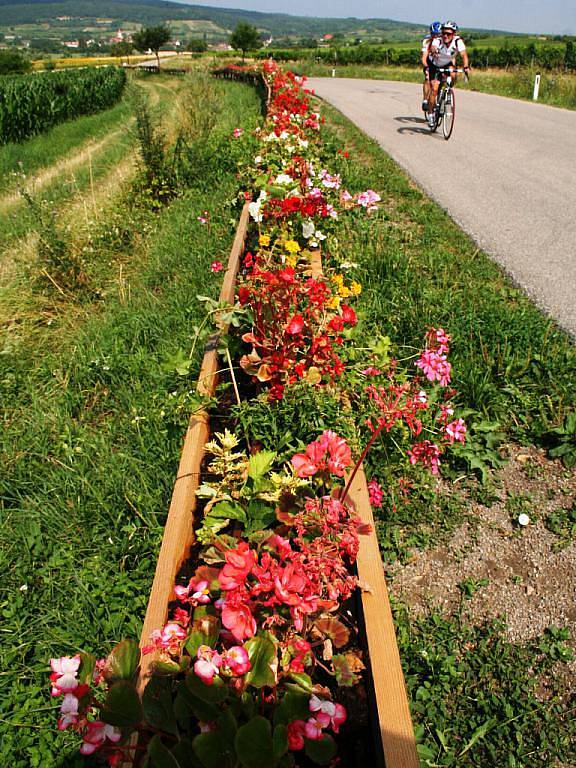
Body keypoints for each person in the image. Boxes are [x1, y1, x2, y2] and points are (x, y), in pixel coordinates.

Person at [426, 21, 470, 127]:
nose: (446, 35)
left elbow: (464, 55)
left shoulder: (458, 41)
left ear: (453, 34)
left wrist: (466, 67)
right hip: (434, 64)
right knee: (434, 89)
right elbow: (433, 47)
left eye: (449, 34)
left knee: (454, 73)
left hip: (446, 63)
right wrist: (434, 50)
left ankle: (447, 90)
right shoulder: (438, 40)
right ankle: (431, 114)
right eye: (444, 33)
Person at [421, 21, 442, 113]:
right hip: (429, 62)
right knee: (427, 79)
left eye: (438, 34)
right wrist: (426, 66)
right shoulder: (427, 40)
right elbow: (424, 57)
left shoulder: (444, 41)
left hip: (440, 63)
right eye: (433, 34)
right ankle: (425, 100)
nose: (435, 36)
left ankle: (440, 97)